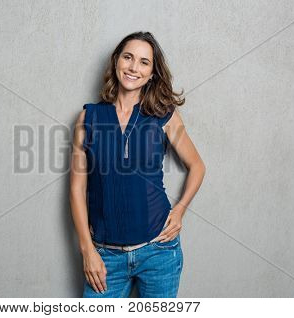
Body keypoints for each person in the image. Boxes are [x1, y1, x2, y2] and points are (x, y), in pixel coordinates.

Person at [70, 31, 206, 298]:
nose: (134, 67)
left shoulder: (164, 116)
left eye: (144, 62)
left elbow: (197, 166)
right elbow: (76, 190)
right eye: (128, 57)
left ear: (152, 72)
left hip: (158, 252)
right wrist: (87, 250)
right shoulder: (88, 118)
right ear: (116, 61)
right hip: (105, 255)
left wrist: (179, 211)